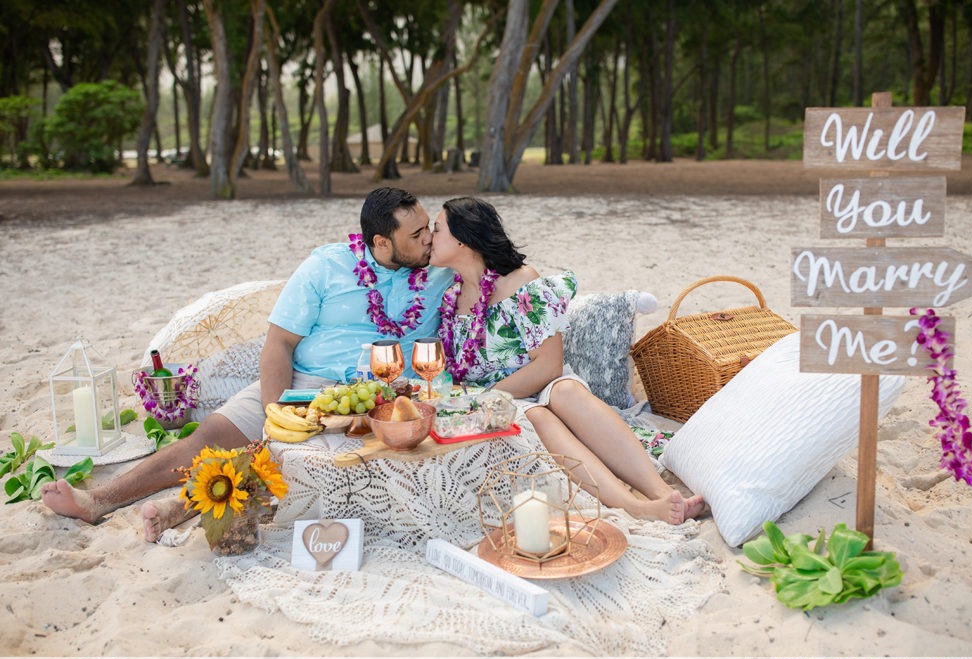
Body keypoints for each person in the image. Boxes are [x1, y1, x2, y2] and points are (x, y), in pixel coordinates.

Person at [41, 187, 453, 539]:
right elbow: (278, 343)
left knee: (290, 464)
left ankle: (181, 507)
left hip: (390, 394)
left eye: (428, 229)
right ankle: (99, 500)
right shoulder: (326, 267)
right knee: (211, 437)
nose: (429, 240)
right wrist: (275, 412)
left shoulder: (438, 270)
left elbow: (491, 271)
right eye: (417, 234)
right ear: (381, 242)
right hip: (304, 382)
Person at [429, 197, 703, 525]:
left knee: (566, 393)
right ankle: (633, 506)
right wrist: (481, 400)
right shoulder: (450, 299)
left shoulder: (522, 282)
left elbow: (548, 366)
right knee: (539, 416)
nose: (430, 238)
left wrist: (488, 395)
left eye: (436, 229)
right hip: (495, 403)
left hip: (538, 382)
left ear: (462, 238)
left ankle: (660, 493)